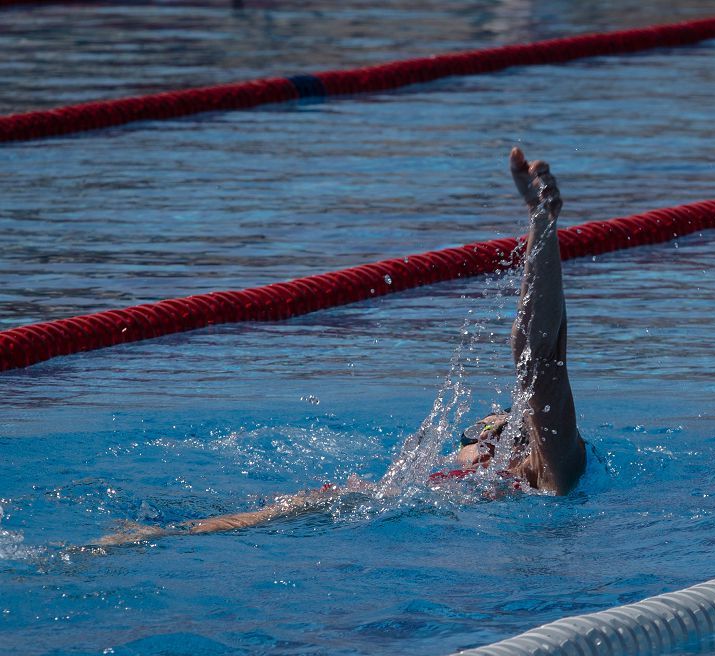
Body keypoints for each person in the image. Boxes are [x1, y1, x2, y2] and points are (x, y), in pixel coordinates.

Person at [93, 147, 585, 547]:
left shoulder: (552, 470)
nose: (471, 447)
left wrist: (542, 224)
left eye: (485, 436)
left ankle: (161, 535)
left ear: (521, 438)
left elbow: (538, 358)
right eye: (469, 437)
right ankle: (164, 533)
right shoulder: (453, 491)